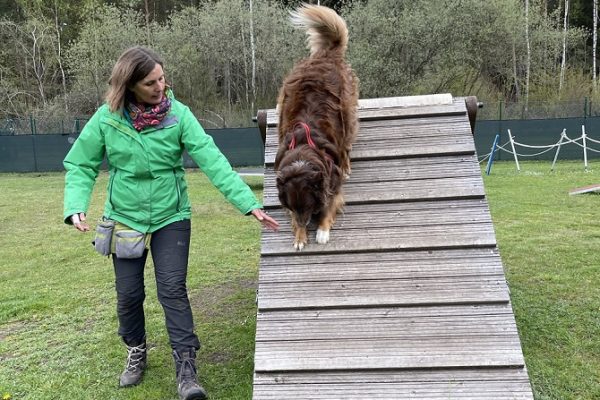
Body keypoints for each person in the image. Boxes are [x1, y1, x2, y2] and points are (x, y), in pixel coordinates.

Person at [63, 46, 279, 400]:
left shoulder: (178, 115)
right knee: (129, 295)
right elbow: (81, 164)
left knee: (173, 290)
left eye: (162, 78)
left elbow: (213, 160)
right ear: (129, 85)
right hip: (125, 217)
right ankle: (136, 350)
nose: (160, 86)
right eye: (150, 82)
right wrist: (75, 205)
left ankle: (186, 367)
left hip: (171, 215)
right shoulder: (107, 118)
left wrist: (247, 204)